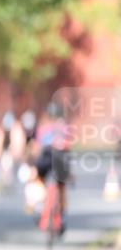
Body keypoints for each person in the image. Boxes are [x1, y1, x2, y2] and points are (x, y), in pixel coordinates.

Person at [33, 101, 72, 235]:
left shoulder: (43, 128)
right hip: (60, 159)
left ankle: (39, 206)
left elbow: (37, 148)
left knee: (39, 181)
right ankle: (63, 215)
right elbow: (67, 148)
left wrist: (34, 167)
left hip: (45, 159)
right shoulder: (64, 128)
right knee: (62, 188)